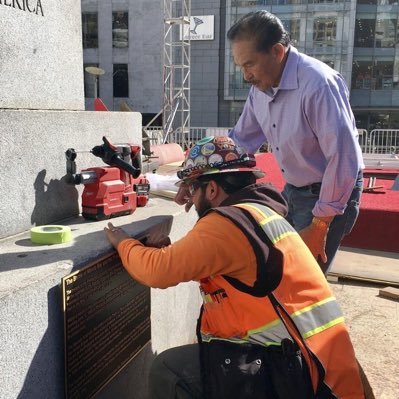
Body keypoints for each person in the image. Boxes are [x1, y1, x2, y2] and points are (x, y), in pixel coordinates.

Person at [105, 136, 365, 399]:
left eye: (193, 189)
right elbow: (225, 270)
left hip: (301, 376)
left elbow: (156, 271)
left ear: (213, 190)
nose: (188, 200)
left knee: (169, 370)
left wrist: (124, 242)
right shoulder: (259, 214)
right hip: (317, 365)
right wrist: (169, 253)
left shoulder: (227, 223)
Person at [176, 11, 364, 274]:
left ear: (277, 51)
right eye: (241, 66)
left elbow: (344, 159)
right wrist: (196, 178)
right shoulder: (260, 91)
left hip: (329, 195)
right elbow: (239, 143)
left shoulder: (318, 84)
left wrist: (320, 225)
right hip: (295, 189)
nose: (245, 76)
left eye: (249, 64)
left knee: (304, 279)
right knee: (279, 269)